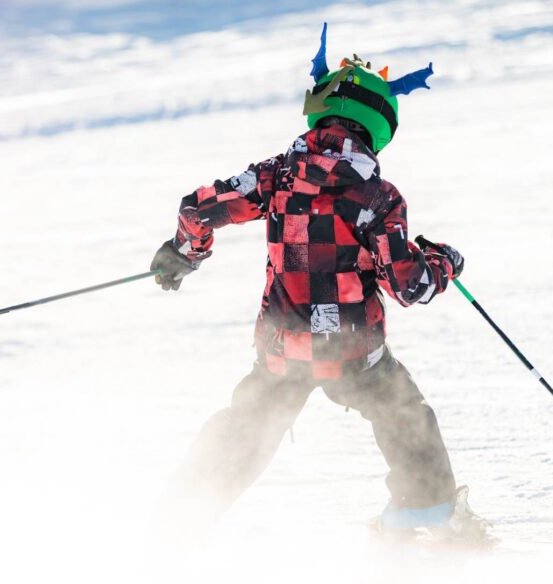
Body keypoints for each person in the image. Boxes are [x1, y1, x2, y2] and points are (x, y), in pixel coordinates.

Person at [150, 25, 489, 543]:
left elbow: (199, 209)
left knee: (247, 428)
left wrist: (185, 252)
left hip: (283, 350)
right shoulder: (376, 197)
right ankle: (424, 516)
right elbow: (409, 285)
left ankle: (181, 517)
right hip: (355, 354)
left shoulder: (277, 175)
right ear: (380, 126)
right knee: (404, 417)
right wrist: (443, 261)